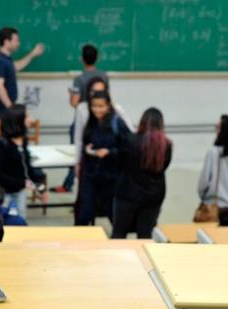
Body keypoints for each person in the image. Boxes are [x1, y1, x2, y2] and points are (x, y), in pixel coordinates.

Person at [52, 44, 110, 193]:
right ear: (97, 58)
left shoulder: (79, 79)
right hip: (101, 123)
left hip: (82, 123)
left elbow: (74, 103)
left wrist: (70, 94)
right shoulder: (103, 76)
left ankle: (70, 184)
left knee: (77, 152)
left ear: (82, 59)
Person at [112, 108, 172, 238]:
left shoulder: (131, 141)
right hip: (153, 195)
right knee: (145, 234)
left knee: (119, 233)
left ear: (142, 121)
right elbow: (164, 167)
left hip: (128, 193)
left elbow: (119, 163)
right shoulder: (166, 145)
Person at [74, 91, 131, 226]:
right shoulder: (91, 122)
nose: (97, 110)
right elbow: (85, 142)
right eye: (94, 106)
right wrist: (87, 150)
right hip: (91, 174)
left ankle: (118, 241)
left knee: (112, 212)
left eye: (101, 106)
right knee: (84, 211)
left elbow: (128, 148)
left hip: (111, 176)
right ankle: (76, 240)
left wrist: (109, 152)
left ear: (108, 106)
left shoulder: (117, 123)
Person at [0, 104, 43, 219]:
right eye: (27, 117)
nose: (31, 120)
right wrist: (22, 183)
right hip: (4, 195)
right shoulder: (2, 145)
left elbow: (27, 168)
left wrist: (41, 188)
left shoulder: (23, 141)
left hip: (20, 193)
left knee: (20, 222)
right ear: (17, 121)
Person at [0, 27, 44, 124]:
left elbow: (17, 66)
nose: (18, 44)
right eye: (16, 40)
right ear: (6, 42)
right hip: (2, 108)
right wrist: (11, 108)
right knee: (5, 136)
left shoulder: (6, 59)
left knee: (11, 135)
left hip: (7, 107)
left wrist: (32, 54)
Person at [197, 114, 228, 211]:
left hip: (214, 208)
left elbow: (203, 183)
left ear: (224, 131)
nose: (216, 132)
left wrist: (205, 197)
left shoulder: (213, 153)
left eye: (218, 128)